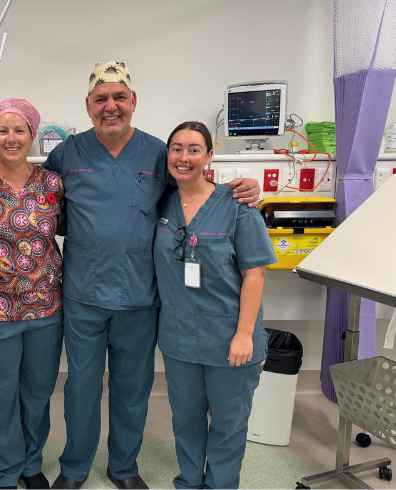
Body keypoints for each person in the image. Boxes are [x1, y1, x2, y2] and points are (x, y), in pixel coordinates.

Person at [0, 61, 261, 490]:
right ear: (88, 106)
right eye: (100, 99)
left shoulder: (159, 152)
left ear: (133, 102)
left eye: (119, 97)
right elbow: (25, 186)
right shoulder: (67, 154)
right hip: (83, 295)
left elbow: (193, 182)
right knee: (81, 389)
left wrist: (244, 187)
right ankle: (74, 468)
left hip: (140, 296)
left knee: (132, 389)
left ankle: (123, 467)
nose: (110, 106)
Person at [153, 121, 276, 489]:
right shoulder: (161, 202)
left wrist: (243, 335)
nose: (184, 157)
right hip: (179, 338)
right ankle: (188, 483)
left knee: (227, 423)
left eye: (194, 149)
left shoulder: (238, 205)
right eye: (176, 148)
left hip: (230, 337)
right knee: (186, 420)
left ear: (210, 155)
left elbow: (254, 275)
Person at [0, 98, 66, 490]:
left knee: (37, 395)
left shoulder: (52, 183)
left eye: (19, 130)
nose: (11, 138)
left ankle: (30, 465)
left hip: (45, 307)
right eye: (3, 130)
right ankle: (4, 472)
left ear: (32, 135)